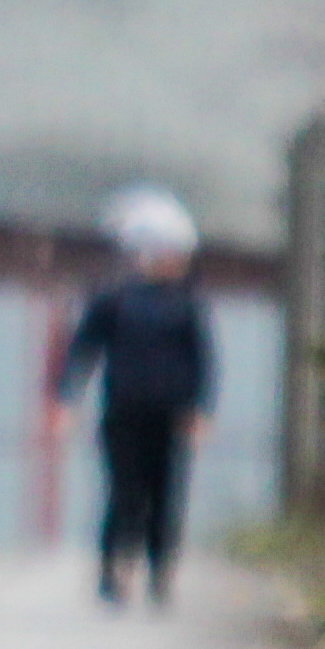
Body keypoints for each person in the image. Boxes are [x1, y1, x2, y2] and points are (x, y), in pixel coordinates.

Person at [47, 188, 212, 609]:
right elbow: (82, 349)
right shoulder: (114, 300)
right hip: (123, 413)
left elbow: (202, 362)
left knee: (165, 495)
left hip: (169, 416)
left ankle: (160, 575)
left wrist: (200, 410)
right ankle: (112, 570)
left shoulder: (187, 305)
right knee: (123, 493)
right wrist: (66, 398)